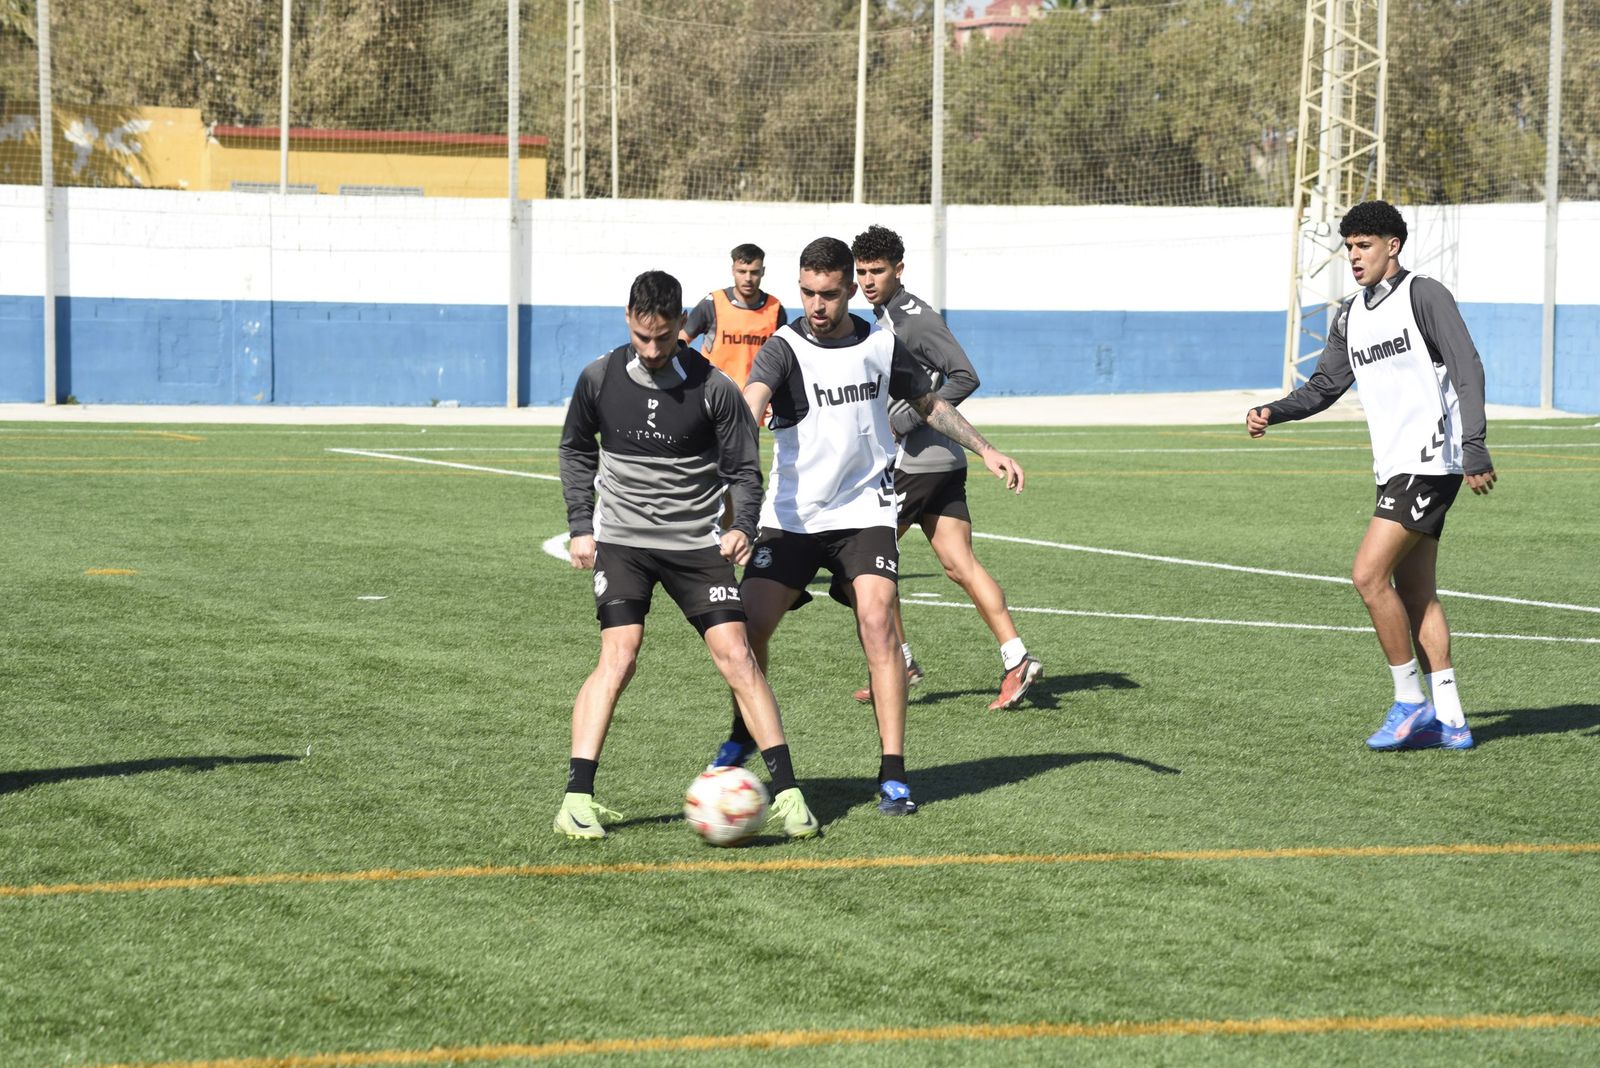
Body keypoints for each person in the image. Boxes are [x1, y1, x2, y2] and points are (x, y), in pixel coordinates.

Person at [711, 237, 1027, 816]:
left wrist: (986, 450)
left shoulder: (882, 345)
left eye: (828, 294)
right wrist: (736, 431)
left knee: (878, 623)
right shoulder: (783, 348)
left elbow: (931, 404)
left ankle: (894, 774)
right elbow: (751, 400)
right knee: (746, 631)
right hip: (793, 517)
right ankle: (744, 732)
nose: (816, 305)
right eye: (807, 293)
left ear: (849, 290)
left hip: (864, 513)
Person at [554, 269, 818, 839]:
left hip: (696, 546)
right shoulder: (598, 378)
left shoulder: (714, 387)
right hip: (624, 543)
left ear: (683, 327)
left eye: (665, 337)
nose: (652, 350)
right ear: (629, 319)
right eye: (643, 337)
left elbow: (744, 469)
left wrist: (742, 525)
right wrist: (581, 524)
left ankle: (790, 793)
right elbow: (576, 449)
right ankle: (576, 799)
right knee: (619, 657)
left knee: (739, 656)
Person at [1246, 200, 1496, 751]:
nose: (1354, 256)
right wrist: (1274, 410)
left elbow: (1467, 366)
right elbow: (1323, 388)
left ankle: (1410, 702)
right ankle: (1451, 719)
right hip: (1395, 466)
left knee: (1366, 575)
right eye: (1349, 246)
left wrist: (1474, 447)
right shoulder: (1350, 316)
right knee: (1416, 592)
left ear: (1393, 246)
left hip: (1432, 462)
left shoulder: (1424, 295)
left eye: (1364, 245)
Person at [841, 223, 1042, 711]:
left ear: (899, 270)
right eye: (862, 272)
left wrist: (906, 417)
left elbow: (965, 375)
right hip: (941, 460)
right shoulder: (885, 315)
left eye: (878, 271)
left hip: (916, 465)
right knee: (959, 563)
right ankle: (1016, 658)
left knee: (862, 568)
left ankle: (901, 662)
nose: (868, 280)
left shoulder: (914, 319)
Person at [679, 242, 787, 387]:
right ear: (733, 270)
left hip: (757, 399)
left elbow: (783, 358)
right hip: (715, 393)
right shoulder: (713, 303)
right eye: (742, 271)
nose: (748, 278)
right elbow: (680, 341)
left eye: (754, 272)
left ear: (763, 271)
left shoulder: (775, 309)